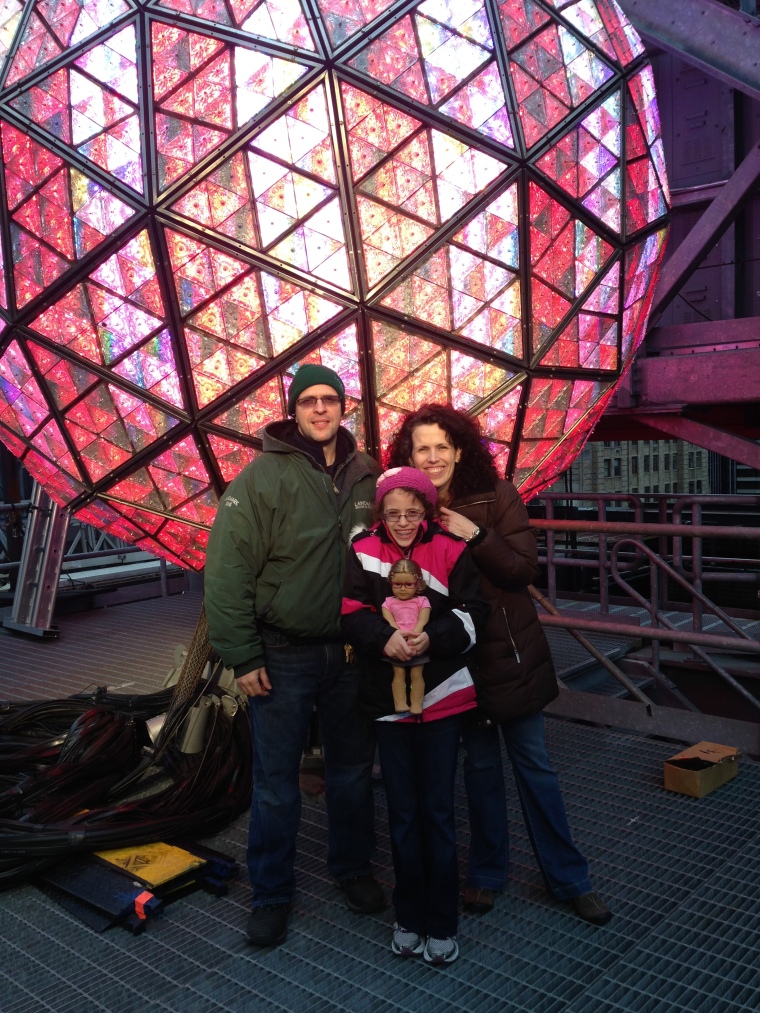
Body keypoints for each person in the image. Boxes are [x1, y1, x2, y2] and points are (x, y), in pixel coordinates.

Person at [387, 405, 613, 927]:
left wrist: (476, 535)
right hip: (454, 665)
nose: (434, 456)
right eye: (423, 448)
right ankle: (487, 874)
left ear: (460, 449)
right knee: (481, 770)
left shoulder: (498, 495)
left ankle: (570, 878)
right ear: (410, 456)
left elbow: (523, 570)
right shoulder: (407, 512)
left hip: (509, 658)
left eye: (443, 446)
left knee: (535, 767)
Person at [205, 364, 384, 947]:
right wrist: (242, 654)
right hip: (281, 655)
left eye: (329, 399)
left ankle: (353, 867)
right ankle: (272, 894)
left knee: (353, 772)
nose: (320, 409)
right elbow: (227, 572)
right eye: (308, 401)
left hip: (353, 652)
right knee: (277, 782)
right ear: (294, 409)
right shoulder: (260, 480)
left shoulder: (368, 477)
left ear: (343, 406)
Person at [342, 467, 489, 965]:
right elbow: (350, 610)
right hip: (388, 704)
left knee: (439, 813)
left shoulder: (451, 549)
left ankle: (442, 921)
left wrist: (434, 638)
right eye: (393, 513)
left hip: (444, 695)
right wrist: (381, 639)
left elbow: (474, 612)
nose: (403, 522)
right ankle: (409, 916)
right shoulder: (362, 551)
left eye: (412, 512)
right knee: (404, 814)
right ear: (380, 513)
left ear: (427, 510)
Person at [382, 559, 431, 714]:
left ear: (417, 583)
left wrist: (414, 636)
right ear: (391, 582)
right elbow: (390, 622)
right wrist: (398, 635)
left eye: (408, 584)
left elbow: (423, 620)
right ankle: (400, 703)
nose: (403, 589)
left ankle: (416, 704)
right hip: (397, 645)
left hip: (417, 643)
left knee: (417, 675)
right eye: (397, 584)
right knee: (398, 675)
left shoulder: (422, 601)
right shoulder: (388, 602)